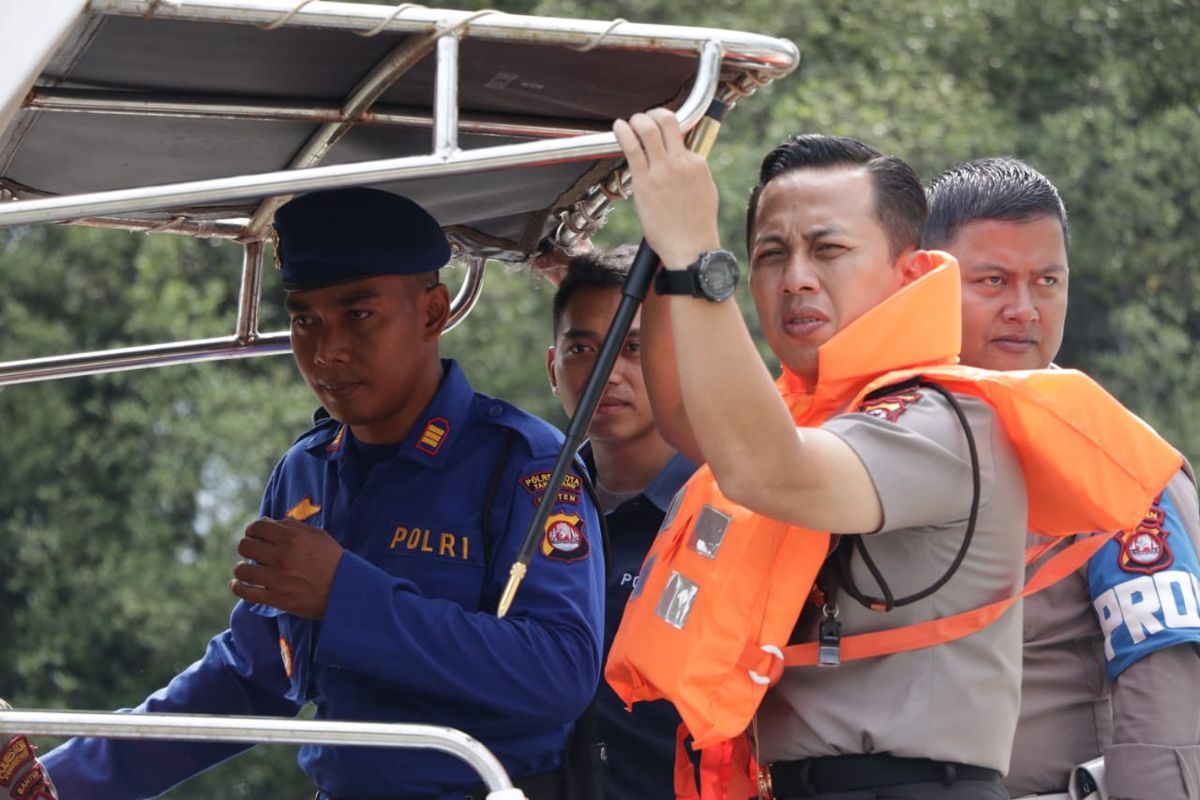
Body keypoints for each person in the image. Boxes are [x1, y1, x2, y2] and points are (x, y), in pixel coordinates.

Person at [39, 187, 605, 800]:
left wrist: (344, 595)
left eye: (357, 315)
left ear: (433, 311)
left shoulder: (524, 464)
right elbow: (250, 679)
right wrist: (53, 783)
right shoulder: (305, 471)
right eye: (305, 319)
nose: (326, 350)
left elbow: (561, 670)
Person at [611, 110, 1032, 799]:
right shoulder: (812, 413)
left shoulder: (945, 421)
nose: (795, 278)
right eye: (771, 254)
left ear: (909, 273)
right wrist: (666, 245)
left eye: (828, 250)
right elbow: (691, 414)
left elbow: (765, 469)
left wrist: (693, 254)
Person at [924, 157, 1200, 800]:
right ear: (924, 281)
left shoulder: (1110, 457)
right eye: (993, 280)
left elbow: (1164, 691)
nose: (1025, 309)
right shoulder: (870, 436)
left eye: (1046, 280)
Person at [545, 246, 697, 799]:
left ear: (671, 360)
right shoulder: (524, 506)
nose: (606, 369)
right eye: (582, 347)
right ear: (552, 369)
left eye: (632, 347)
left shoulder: (723, 505)